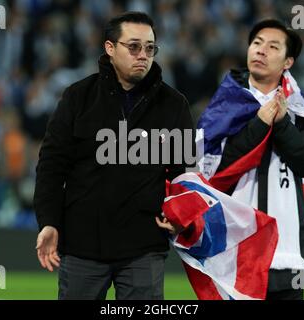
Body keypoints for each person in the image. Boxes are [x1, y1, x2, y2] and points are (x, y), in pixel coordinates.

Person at [33, 11, 194, 300]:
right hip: (82, 245)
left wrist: (181, 214)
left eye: (149, 48)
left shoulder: (174, 105)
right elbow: (51, 167)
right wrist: (49, 221)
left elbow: (185, 172)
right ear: (110, 48)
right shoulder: (77, 97)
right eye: (133, 47)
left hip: (144, 247)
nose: (143, 55)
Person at [185, 19, 304, 300]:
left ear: (288, 62)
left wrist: (282, 123)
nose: (261, 50)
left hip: (286, 254)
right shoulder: (225, 106)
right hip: (235, 251)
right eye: (257, 43)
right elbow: (215, 168)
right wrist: (259, 124)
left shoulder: (302, 112)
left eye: (273, 47)